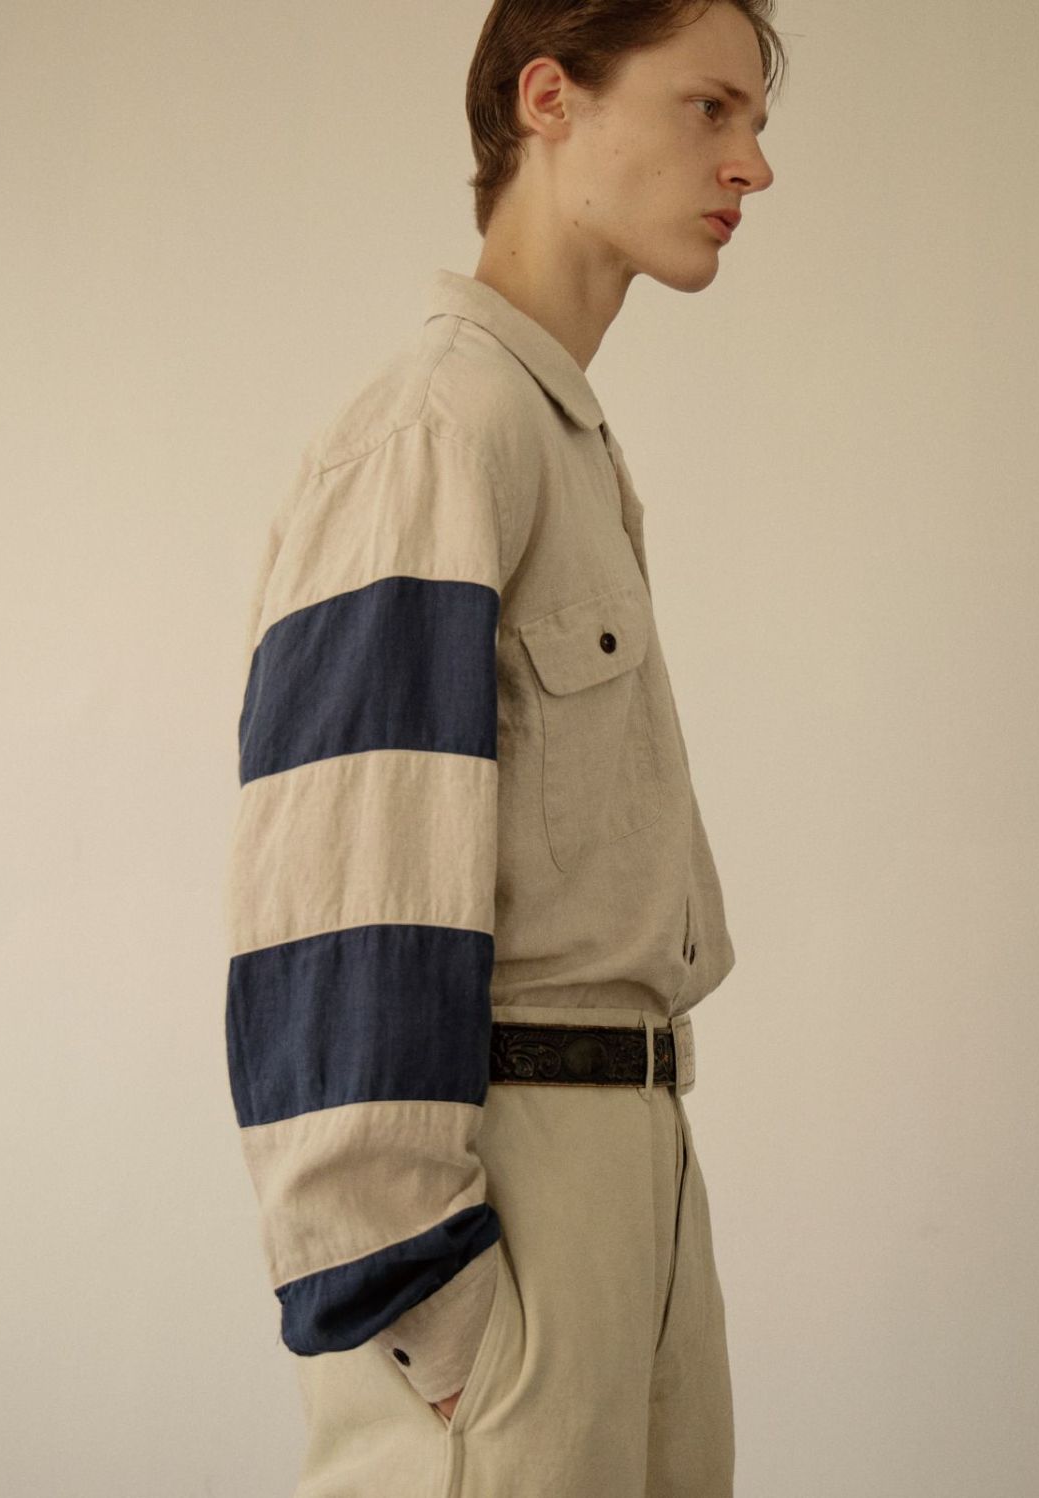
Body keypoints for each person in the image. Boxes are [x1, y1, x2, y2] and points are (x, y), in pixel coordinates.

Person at [223, 1, 785, 1493]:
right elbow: (336, 897)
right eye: (710, 108)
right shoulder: (440, 430)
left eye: (756, 123)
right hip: (508, 1225)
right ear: (550, 96)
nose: (753, 164)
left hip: (636, 1178)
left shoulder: (561, 443)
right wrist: (428, 1305)